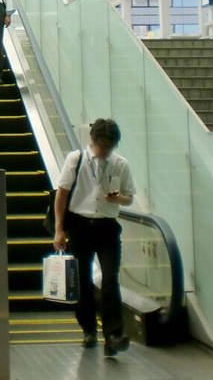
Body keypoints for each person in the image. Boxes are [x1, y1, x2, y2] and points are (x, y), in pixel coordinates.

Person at [52, 118, 136, 357]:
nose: (105, 151)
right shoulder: (76, 159)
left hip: (107, 226)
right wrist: (59, 230)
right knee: (83, 280)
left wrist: (117, 198)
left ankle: (113, 335)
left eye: (110, 146)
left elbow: (128, 197)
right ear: (93, 141)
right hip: (80, 225)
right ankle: (88, 329)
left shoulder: (120, 164)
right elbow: (62, 194)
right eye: (102, 146)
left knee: (110, 278)